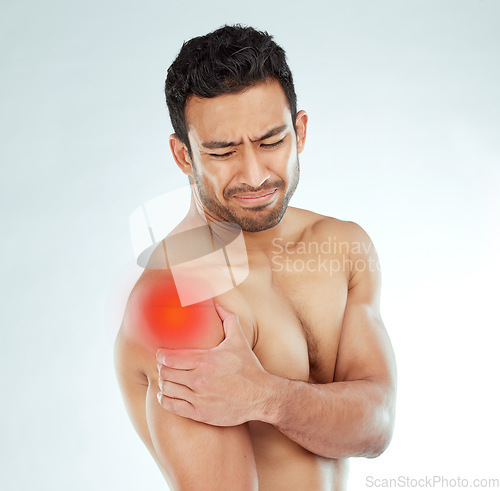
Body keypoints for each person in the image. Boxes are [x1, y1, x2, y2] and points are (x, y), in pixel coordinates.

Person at [114, 24, 397, 490]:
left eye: (270, 142)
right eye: (223, 151)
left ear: (299, 131)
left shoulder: (342, 245)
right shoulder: (178, 299)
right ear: (184, 156)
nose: (254, 174)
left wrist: (269, 398)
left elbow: (377, 424)